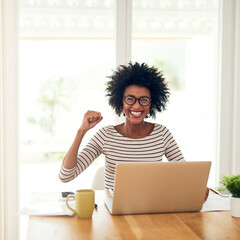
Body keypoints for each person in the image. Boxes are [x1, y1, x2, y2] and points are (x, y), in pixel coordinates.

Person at [59, 62, 209, 201]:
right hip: (114, 213)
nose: (137, 106)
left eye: (143, 100)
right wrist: (81, 131)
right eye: (130, 99)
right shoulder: (105, 135)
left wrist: (197, 188)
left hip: (152, 210)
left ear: (151, 103)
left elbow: (183, 174)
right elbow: (66, 176)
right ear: (120, 101)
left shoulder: (162, 134)